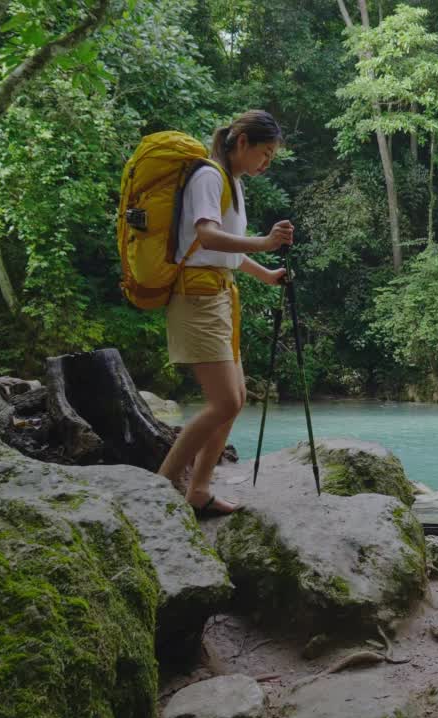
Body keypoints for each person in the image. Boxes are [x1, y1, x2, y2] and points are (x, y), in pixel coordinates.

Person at [157, 109, 293, 516]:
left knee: (234, 399)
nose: (266, 162)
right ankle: (161, 486)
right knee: (223, 403)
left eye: (272, 156)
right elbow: (207, 235)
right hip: (197, 297)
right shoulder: (209, 176)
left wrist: (266, 274)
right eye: (265, 153)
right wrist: (265, 243)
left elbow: (224, 250)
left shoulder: (232, 182)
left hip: (219, 293)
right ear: (243, 142)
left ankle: (198, 490)